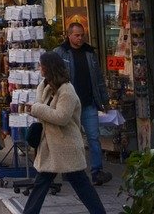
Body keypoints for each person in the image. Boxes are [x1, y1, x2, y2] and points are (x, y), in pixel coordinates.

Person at [21, 51, 108, 214]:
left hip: (66, 145)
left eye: (41, 65)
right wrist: (34, 108)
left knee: (81, 184)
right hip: (50, 145)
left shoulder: (67, 90)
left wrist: (37, 109)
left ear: (48, 67)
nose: (39, 68)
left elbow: (62, 117)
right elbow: (42, 109)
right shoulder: (45, 87)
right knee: (42, 183)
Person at [54, 21, 111, 185]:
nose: (80, 38)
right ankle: (71, 170)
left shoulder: (90, 53)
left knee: (94, 138)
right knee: (71, 139)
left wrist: (105, 101)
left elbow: (98, 79)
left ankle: (97, 171)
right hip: (69, 105)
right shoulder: (60, 52)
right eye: (76, 35)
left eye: (82, 35)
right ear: (69, 35)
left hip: (88, 103)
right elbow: (53, 79)